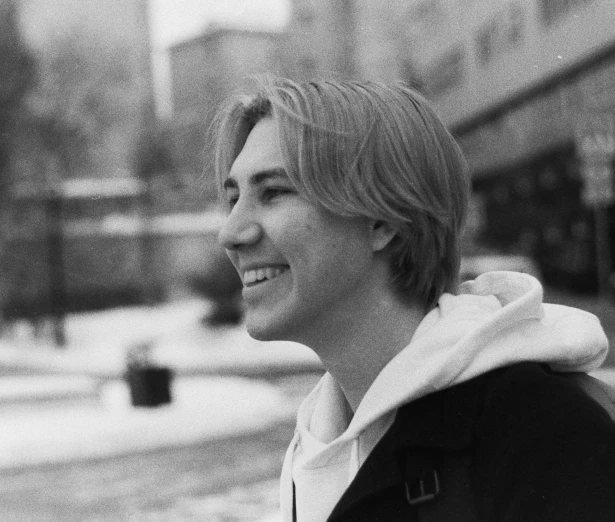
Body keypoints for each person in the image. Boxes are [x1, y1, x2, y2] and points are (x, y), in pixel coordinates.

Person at [210, 76, 615, 521]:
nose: (230, 232)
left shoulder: (545, 437)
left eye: (274, 192)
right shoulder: (321, 442)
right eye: (234, 198)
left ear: (384, 220)